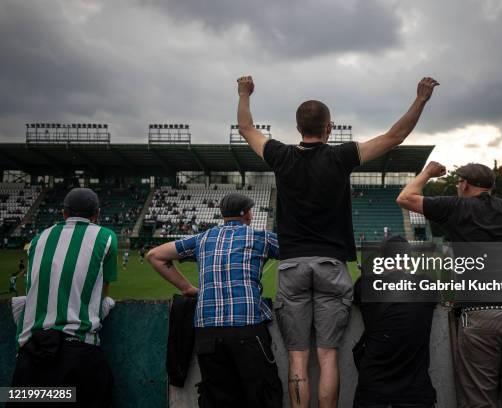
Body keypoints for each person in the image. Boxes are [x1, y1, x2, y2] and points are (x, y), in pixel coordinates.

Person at [236, 74, 438, 408]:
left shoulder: (280, 155)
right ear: (329, 128)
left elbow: (246, 128)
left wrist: (244, 93)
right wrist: (420, 100)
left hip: (292, 266)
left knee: (298, 359)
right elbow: (395, 135)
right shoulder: (341, 156)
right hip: (331, 265)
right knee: (327, 356)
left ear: (298, 127)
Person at [396, 160, 502, 408]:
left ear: (464, 184)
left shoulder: (455, 207)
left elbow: (406, 198)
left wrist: (428, 173)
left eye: (457, 182)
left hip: (479, 312)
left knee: (478, 401)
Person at [147, 193, 283, 408]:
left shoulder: (203, 238)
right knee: (263, 394)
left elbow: (155, 255)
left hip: (207, 331)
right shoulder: (260, 236)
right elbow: (297, 251)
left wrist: (187, 288)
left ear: (222, 214)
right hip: (246, 327)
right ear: (247, 214)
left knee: (218, 398)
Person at [10, 188, 116, 408]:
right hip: (79, 354)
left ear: (63, 213)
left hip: (30, 356)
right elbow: (103, 294)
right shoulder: (106, 236)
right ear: (97, 214)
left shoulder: (39, 238)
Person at [353, 236, 437, 408]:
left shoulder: (365, 285)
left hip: (373, 394)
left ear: (382, 260)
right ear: (407, 260)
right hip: (416, 395)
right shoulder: (427, 284)